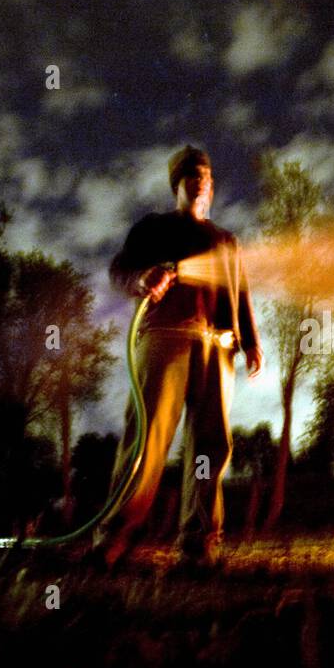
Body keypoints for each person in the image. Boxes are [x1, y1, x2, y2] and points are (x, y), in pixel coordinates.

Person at [97, 144, 264, 569]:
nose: (201, 180)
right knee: (148, 439)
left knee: (210, 446)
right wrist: (140, 280)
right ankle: (115, 537)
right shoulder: (153, 228)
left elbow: (239, 292)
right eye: (192, 174)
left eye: (206, 174)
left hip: (217, 345)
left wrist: (251, 342)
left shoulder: (226, 240)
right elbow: (119, 271)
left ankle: (199, 542)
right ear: (178, 183)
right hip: (165, 337)